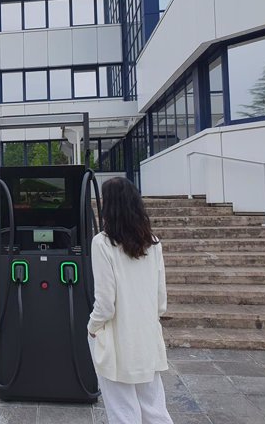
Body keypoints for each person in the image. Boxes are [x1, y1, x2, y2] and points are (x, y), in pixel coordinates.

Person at [87, 177, 174, 424]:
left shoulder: (102, 243)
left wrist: (92, 329)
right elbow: (160, 298)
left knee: (123, 411)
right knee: (154, 408)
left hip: (115, 338)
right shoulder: (153, 243)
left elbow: (105, 303)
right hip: (146, 335)